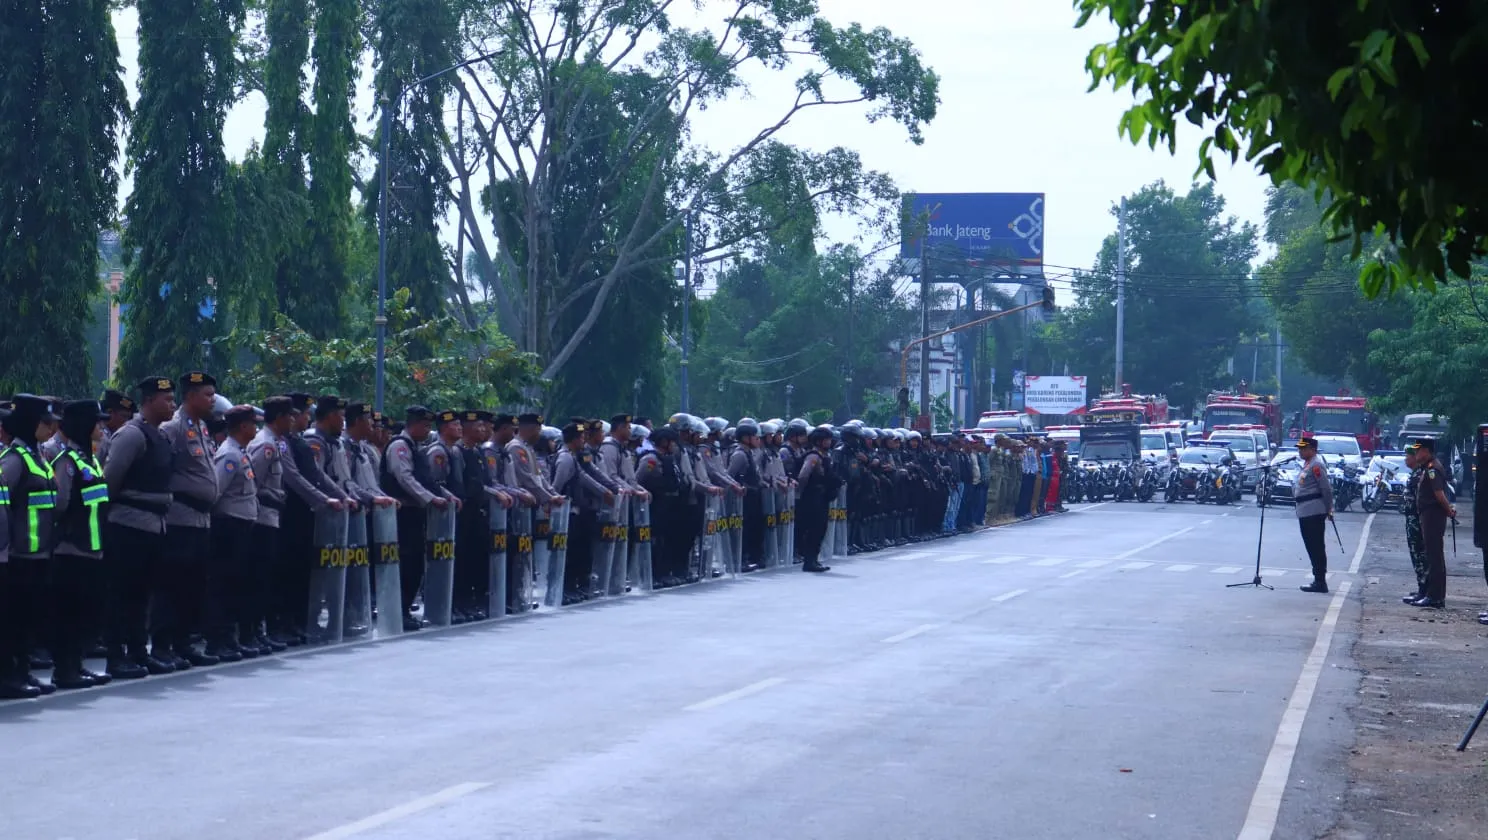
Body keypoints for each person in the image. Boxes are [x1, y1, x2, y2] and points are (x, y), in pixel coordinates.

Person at [46, 400, 114, 689]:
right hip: (71, 548)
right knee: (69, 614)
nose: (101, 427)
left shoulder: (90, 459)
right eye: (97, 422)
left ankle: (77, 664)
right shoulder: (67, 461)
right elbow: (59, 504)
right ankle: (65, 669)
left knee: (86, 611)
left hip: (92, 548)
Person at [0, 396, 61, 698]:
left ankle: (23, 671)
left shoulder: (39, 456)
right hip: (20, 553)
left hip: (40, 551)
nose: (48, 427)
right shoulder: (15, 459)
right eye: (43, 421)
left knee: (29, 619)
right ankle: (10, 675)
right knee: (15, 620)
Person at [380, 406, 447, 631]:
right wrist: (430, 499)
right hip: (401, 514)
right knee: (405, 563)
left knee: (415, 562)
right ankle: (398, 610)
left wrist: (444, 496)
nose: (428, 431)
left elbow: (428, 480)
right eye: (425, 426)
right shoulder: (400, 446)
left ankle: (406, 607)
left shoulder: (417, 448)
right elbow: (405, 478)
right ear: (414, 424)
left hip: (416, 512)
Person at [207, 405, 260, 661]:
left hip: (241, 526)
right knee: (224, 585)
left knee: (236, 584)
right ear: (242, 426)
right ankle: (218, 640)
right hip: (229, 527)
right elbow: (216, 492)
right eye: (253, 423)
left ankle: (229, 637)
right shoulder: (229, 455)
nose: (256, 428)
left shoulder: (241, 452)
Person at [1411, 437, 1456, 609]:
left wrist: (1449, 510)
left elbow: (1439, 494)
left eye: (1418, 450)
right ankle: (1431, 593)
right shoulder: (1428, 467)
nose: (1416, 453)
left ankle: (1436, 597)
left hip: (1433, 517)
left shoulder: (1432, 469)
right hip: (1428, 516)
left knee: (1434, 557)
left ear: (1426, 451)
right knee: (1431, 556)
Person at [1293, 436, 1335, 594]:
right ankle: (1318, 579)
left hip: (1313, 510)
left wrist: (1329, 508)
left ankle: (1320, 581)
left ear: (1312, 449)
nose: (1300, 451)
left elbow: (1325, 488)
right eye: (1299, 448)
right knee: (1311, 546)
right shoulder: (1307, 465)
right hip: (1305, 510)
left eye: (1303, 448)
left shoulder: (1316, 465)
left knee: (1316, 546)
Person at [794, 425, 838, 573]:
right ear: (819, 441)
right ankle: (809, 561)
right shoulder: (813, 456)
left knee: (821, 529)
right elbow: (803, 475)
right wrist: (799, 494)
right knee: (814, 529)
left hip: (822, 498)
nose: (829, 442)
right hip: (813, 498)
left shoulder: (825, 456)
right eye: (827, 440)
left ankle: (814, 559)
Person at [1400, 444, 1427, 604]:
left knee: (1419, 555)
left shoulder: (1420, 475)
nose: (1406, 459)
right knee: (1416, 554)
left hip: (1416, 522)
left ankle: (1424, 589)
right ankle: (1421, 587)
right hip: (1412, 520)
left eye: (1408, 456)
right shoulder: (1416, 474)